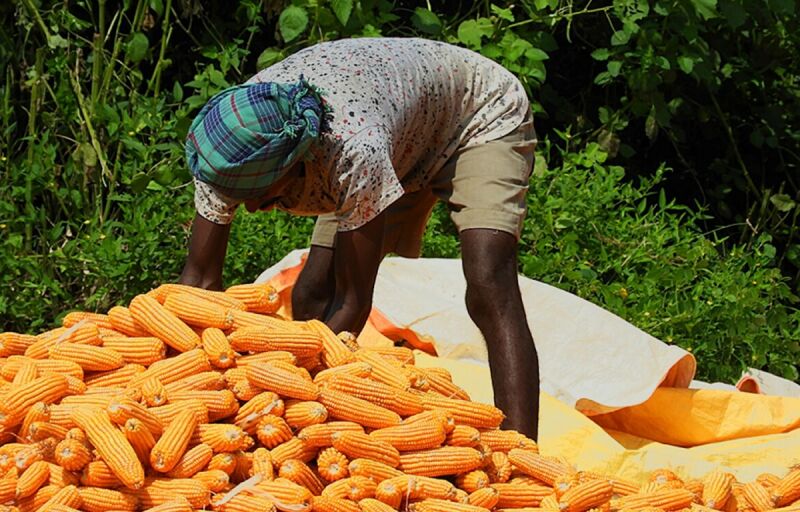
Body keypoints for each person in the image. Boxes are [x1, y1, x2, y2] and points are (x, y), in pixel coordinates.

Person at [179, 37, 540, 439]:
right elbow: (198, 284)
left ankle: (523, 453)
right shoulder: (226, 149)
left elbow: (353, 301)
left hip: (475, 116)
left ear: (296, 163)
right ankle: (321, 429)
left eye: (261, 196)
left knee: (489, 281)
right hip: (397, 122)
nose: (249, 208)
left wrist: (291, 385)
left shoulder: (350, 150)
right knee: (311, 292)